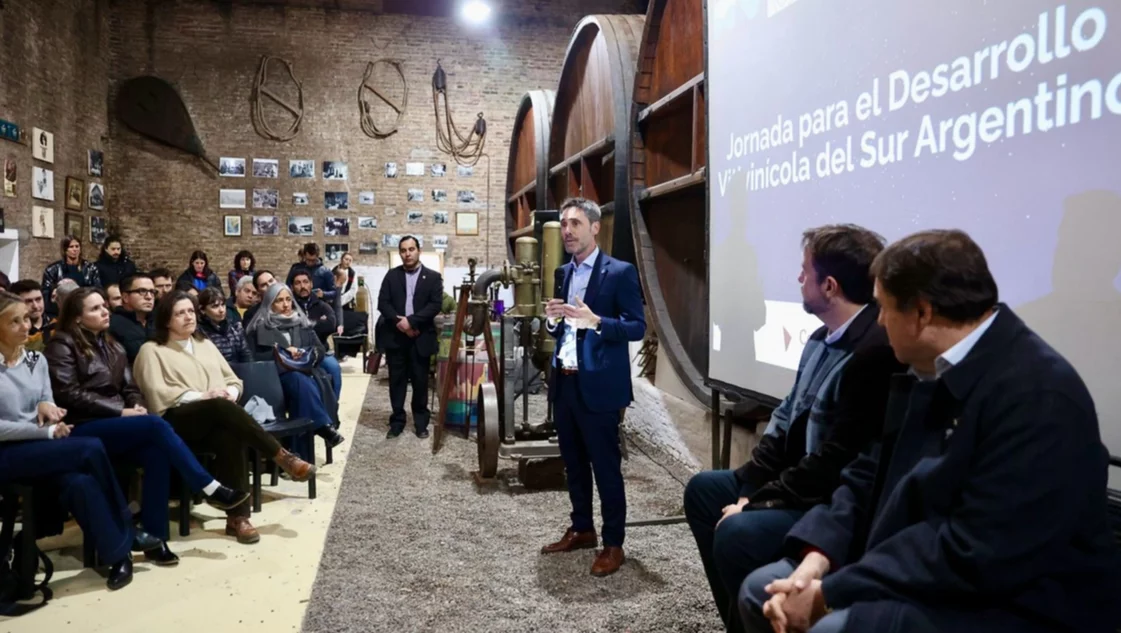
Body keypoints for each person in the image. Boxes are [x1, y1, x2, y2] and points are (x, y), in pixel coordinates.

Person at [740, 229, 1121, 633]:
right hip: (920, 564)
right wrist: (820, 553)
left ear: (922, 313)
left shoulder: (1039, 395)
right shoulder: (932, 369)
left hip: (1016, 602)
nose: (880, 321)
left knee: (828, 627)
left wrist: (831, 593)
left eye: (884, 308)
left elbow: (977, 551)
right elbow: (869, 472)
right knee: (759, 592)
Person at [683, 224, 900, 632]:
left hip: (823, 498)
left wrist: (759, 502)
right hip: (793, 483)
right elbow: (784, 418)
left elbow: (833, 463)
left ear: (830, 285)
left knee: (735, 532)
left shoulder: (873, 353)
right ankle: (741, 619)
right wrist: (749, 488)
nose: (799, 279)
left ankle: (757, 615)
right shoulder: (820, 337)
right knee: (704, 490)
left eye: (805, 272)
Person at [45, 287, 251, 560]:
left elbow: (130, 386)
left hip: (115, 423)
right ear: (78, 318)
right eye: (95, 309)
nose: (105, 311)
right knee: (156, 425)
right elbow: (68, 393)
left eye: (104, 306)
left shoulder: (112, 344)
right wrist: (121, 412)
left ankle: (156, 538)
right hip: (82, 426)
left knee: (156, 453)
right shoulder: (62, 344)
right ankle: (208, 486)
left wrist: (135, 405)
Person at [0, 290, 156, 591]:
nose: (27, 327)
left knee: (79, 482)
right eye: (15, 322)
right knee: (90, 446)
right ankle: (127, 527)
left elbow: (46, 396)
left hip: (38, 446)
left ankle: (118, 553)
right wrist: (43, 431)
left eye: (27, 319)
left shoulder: (35, 358)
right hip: (7, 451)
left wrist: (46, 406)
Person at [133, 291, 316, 544]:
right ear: (166, 320)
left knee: (232, 435)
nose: (188, 317)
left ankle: (238, 518)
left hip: (217, 417)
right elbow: (155, 392)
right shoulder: (152, 350)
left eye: (190, 311)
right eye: (180, 313)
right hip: (175, 421)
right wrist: (202, 396)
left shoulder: (204, 344)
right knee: (220, 408)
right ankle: (281, 456)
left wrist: (230, 392)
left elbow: (232, 379)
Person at [539, 198, 646, 578]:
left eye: (575, 224)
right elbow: (560, 330)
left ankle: (613, 543)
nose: (567, 231)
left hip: (599, 387)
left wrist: (596, 321)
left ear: (595, 228)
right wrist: (552, 322)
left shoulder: (620, 273)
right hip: (565, 383)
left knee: (606, 468)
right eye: (564, 224)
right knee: (573, 464)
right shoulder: (561, 273)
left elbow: (637, 327)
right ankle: (582, 528)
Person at [244, 283, 345, 452]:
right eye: (279, 301)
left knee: (303, 391)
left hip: (304, 373)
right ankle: (323, 426)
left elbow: (320, 349)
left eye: (288, 299)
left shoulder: (301, 322)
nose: (285, 305)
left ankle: (298, 454)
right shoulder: (260, 328)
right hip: (275, 377)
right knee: (301, 382)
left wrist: (305, 353)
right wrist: (282, 352)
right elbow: (255, 358)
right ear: (270, 303)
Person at [376, 235, 443, 439]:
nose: (407, 254)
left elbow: (435, 305)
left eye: (411, 249)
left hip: (421, 337)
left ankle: (421, 423)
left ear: (419, 250)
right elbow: (383, 304)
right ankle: (397, 421)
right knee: (397, 382)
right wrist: (402, 325)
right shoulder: (391, 276)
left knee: (420, 381)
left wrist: (412, 321)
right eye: (403, 250)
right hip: (397, 338)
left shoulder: (432, 277)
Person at [42, 235, 102, 316]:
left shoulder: (90, 268)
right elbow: (46, 292)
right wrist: (56, 289)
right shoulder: (53, 269)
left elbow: (98, 288)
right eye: (71, 247)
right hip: (60, 309)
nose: (75, 249)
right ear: (65, 250)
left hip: (83, 306)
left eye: (77, 246)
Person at [110, 274, 157, 363]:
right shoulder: (113, 325)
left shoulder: (159, 321)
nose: (149, 297)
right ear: (125, 297)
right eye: (142, 291)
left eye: (152, 292)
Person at [197, 287, 252, 363]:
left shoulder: (235, 327)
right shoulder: (199, 332)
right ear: (202, 310)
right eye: (215, 306)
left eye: (223, 305)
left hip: (238, 371)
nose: (221, 310)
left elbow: (246, 356)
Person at [291, 270, 338, 345]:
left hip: (321, 349)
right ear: (292, 287)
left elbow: (331, 325)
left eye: (305, 282)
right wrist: (318, 321)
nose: (303, 286)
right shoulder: (289, 307)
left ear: (311, 284)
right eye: (298, 283)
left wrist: (301, 326)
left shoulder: (322, 306)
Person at [10, 280, 51, 352]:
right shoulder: (12, 333)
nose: (35, 306)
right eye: (28, 301)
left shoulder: (56, 325)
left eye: (38, 299)